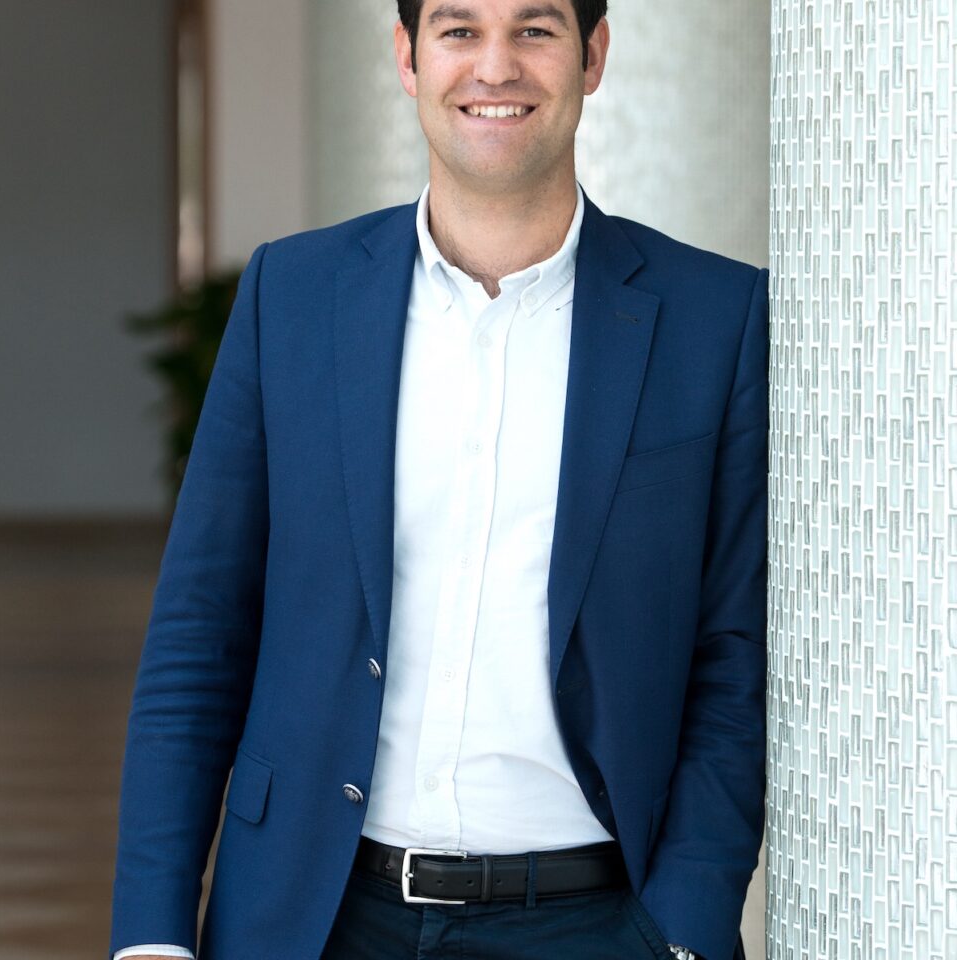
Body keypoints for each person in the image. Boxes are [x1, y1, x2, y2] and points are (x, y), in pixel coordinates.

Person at [110, 2, 768, 959]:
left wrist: (686, 931)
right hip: (314, 919)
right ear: (408, 59)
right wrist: (152, 937)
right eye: (459, 30)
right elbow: (199, 630)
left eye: (535, 30)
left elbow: (734, 653)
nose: (495, 68)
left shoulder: (715, 318)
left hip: (597, 924)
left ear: (593, 56)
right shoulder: (292, 297)